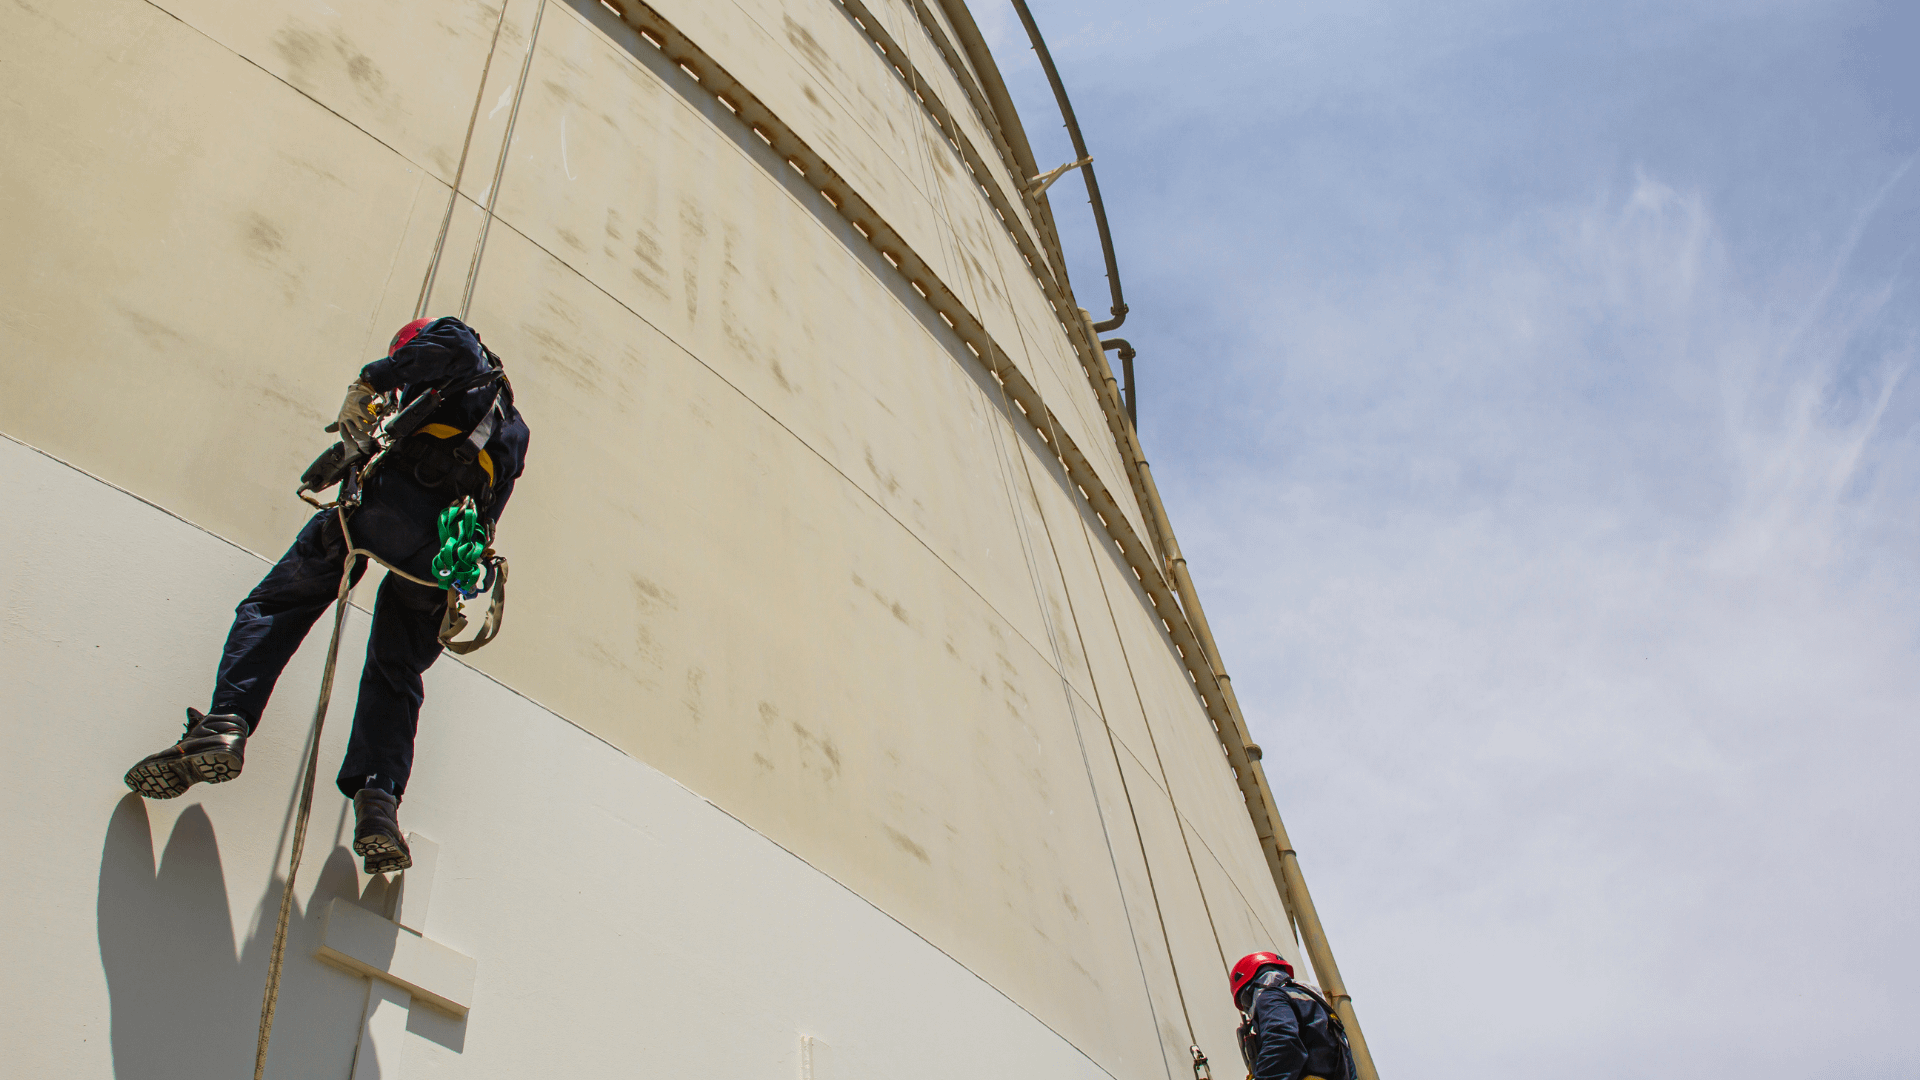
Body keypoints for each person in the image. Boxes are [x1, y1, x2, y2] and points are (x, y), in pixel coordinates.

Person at [123, 316, 530, 874]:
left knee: (277, 606)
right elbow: (492, 510)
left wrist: (369, 382)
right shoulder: (517, 428)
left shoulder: (455, 339)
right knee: (396, 671)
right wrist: (455, 581)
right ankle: (379, 801)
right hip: (440, 555)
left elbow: (409, 365)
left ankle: (226, 722)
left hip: (381, 510)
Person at [1230, 951, 1356, 1080]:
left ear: (1249, 992)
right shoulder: (1318, 1005)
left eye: (1245, 1003)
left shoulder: (1270, 997)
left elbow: (1283, 1043)